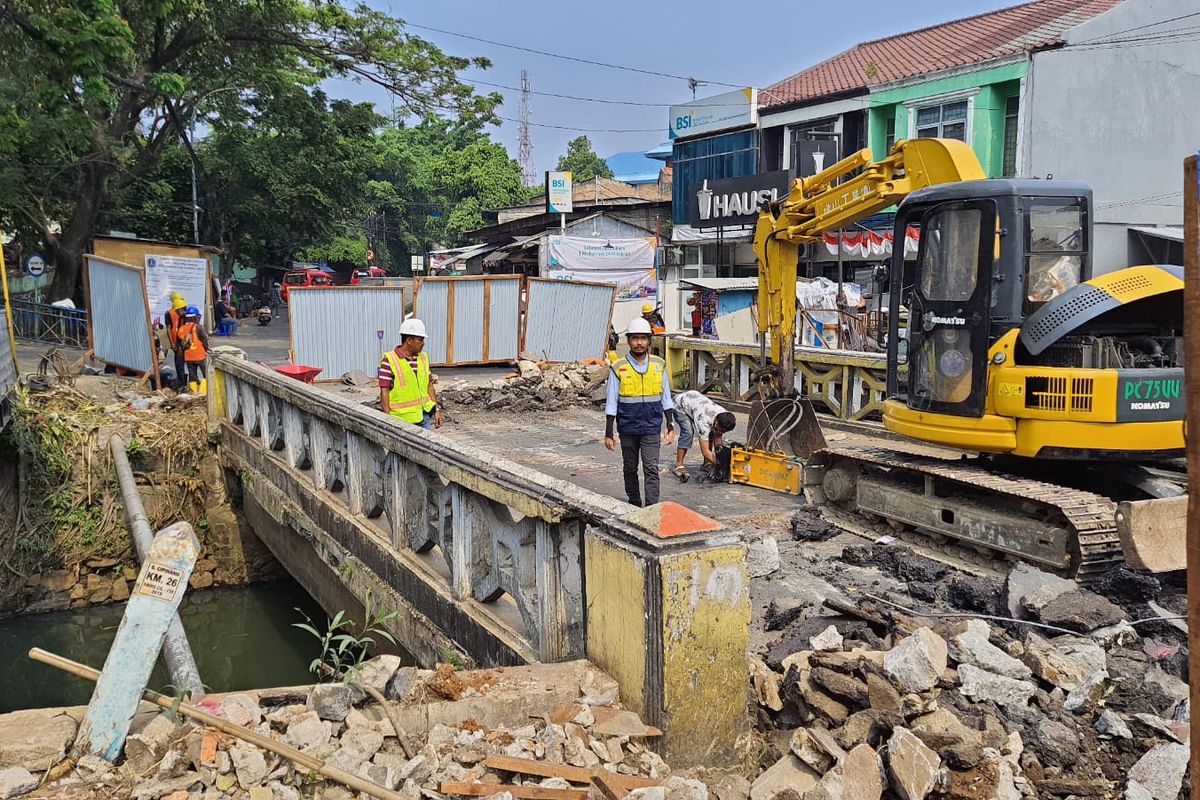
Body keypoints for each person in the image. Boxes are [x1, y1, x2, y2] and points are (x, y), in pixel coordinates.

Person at [604, 318, 676, 507]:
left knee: (651, 468)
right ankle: (634, 504)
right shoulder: (619, 367)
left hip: (652, 426)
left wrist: (670, 424)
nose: (639, 343)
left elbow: (666, 398)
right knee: (630, 468)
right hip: (627, 427)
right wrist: (609, 433)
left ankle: (652, 508)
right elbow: (612, 402)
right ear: (628, 341)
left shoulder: (658, 365)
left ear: (648, 341)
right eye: (635, 338)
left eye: (643, 338)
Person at [378, 317, 442, 430]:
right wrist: (387, 421)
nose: (423, 343)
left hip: (424, 416)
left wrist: (436, 410)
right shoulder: (390, 359)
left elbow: (429, 386)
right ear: (409, 340)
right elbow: (384, 391)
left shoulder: (423, 357)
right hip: (400, 421)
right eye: (420, 340)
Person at [672, 389, 737, 483]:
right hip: (680, 405)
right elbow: (705, 451)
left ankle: (706, 463)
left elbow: (718, 438)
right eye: (720, 429)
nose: (721, 433)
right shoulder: (704, 421)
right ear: (717, 422)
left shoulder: (724, 415)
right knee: (688, 432)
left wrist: (719, 458)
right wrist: (722, 466)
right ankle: (679, 465)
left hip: (695, 401)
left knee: (713, 433)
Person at [175, 306, 209, 393]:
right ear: (196, 317)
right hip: (200, 355)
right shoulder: (199, 327)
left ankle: (194, 392)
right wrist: (207, 349)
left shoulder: (181, 329)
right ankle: (202, 392)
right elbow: (204, 341)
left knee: (192, 375)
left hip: (188, 357)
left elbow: (180, 341)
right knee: (206, 374)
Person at [164, 292, 188, 388]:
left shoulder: (183, 312)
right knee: (180, 363)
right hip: (178, 341)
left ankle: (182, 382)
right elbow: (169, 329)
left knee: (181, 363)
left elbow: (169, 329)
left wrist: (172, 343)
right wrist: (173, 343)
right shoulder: (171, 312)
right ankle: (182, 382)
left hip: (181, 341)